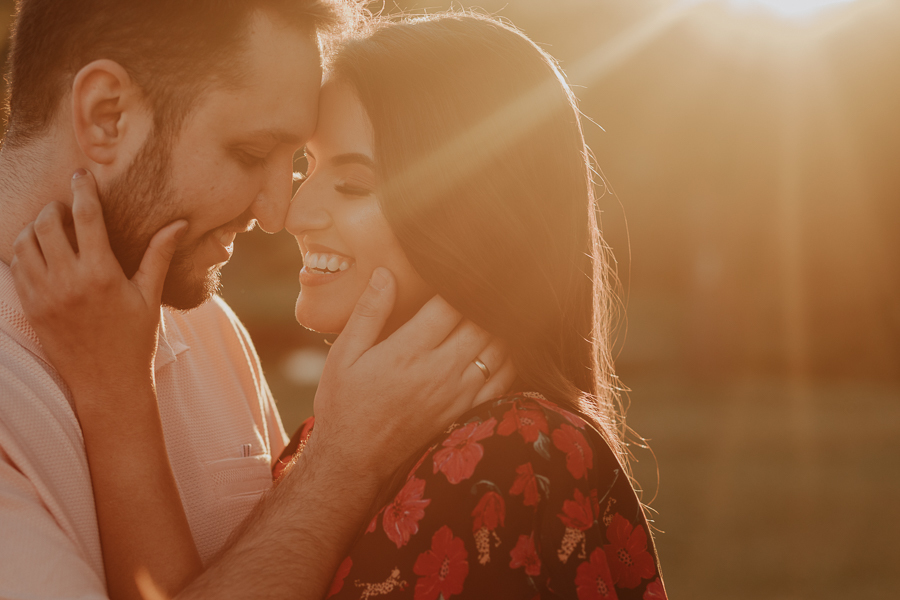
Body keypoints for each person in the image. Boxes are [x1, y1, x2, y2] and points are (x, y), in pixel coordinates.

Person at [15, 10, 668, 600]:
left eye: (352, 181)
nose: (287, 210)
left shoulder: (508, 457)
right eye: (255, 153)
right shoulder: (354, 430)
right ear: (105, 116)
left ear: (473, 219)